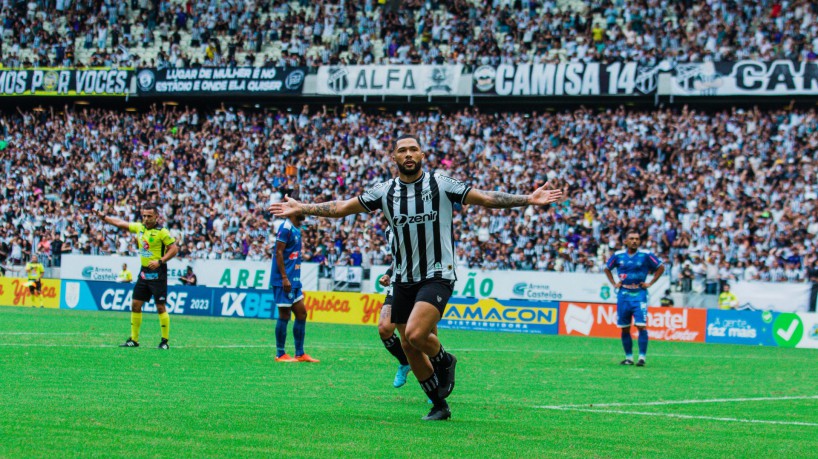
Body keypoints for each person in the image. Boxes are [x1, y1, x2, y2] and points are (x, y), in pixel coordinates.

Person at [270, 133, 563, 421]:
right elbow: (344, 207)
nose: (408, 154)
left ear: (422, 155)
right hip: (402, 278)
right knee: (408, 346)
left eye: (413, 150)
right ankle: (439, 405)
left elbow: (485, 198)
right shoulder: (385, 191)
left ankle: (445, 360)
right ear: (394, 157)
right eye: (402, 150)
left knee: (415, 334)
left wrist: (528, 198)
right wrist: (303, 207)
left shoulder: (442, 184)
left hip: (437, 274)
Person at [93, 203, 179, 349]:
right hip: (144, 272)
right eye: (144, 216)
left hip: (158, 273)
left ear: (156, 217)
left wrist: (160, 261)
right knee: (135, 304)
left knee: (160, 307)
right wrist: (103, 217)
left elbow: (174, 249)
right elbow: (121, 223)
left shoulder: (162, 232)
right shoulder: (140, 228)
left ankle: (164, 341)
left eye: (149, 216)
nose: (146, 219)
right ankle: (134, 339)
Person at [604, 231, 665, 367]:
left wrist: (650, 283)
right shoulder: (618, 256)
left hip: (639, 294)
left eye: (637, 239)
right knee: (625, 328)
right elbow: (607, 268)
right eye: (631, 238)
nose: (634, 241)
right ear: (625, 241)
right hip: (623, 294)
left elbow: (661, 267)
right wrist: (614, 283)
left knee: (641, 326)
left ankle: (642, 357)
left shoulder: (646, 255)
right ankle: (629, 358)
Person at [270, 214, 319, 363]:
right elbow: (278, 252)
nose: (303, 210)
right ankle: (280, 354)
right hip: (284, 279)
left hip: (295, 279)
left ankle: (300, 353)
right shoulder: (285, 228)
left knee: (301, 313)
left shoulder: (296, 228)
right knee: (284, 315)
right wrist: (284, 277)